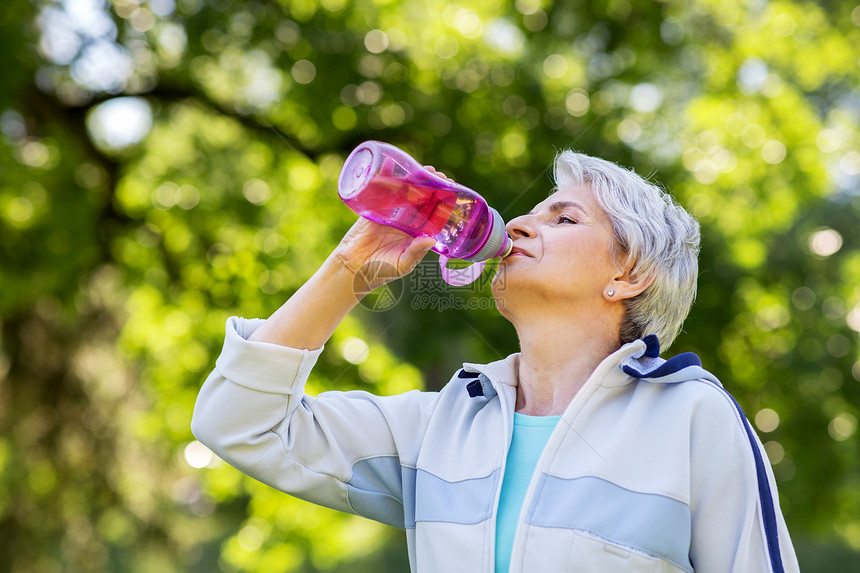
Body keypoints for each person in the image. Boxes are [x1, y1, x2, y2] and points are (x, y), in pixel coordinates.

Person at [192, 150, 800, 572]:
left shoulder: (693, 418)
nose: (520, 226)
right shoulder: (438, 430)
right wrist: (349, 270)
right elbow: (239, 423)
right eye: (529, 212)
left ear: (629, 274)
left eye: (563, 217)